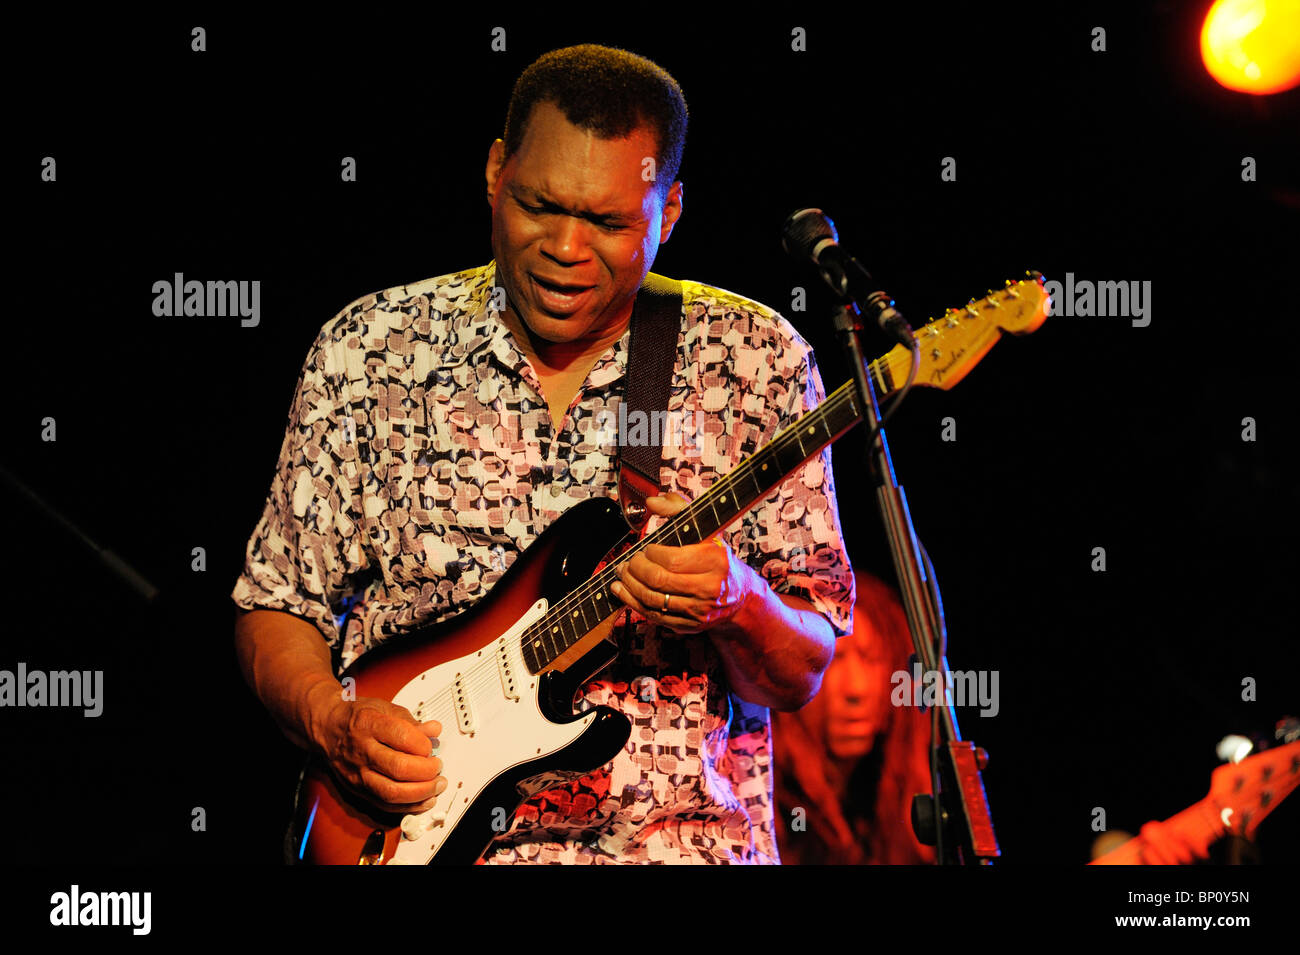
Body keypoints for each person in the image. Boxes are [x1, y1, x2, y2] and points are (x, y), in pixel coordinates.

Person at [231, 43, 855, 864]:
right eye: (537, 206)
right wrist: (331, 720)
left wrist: (738, 603)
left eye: (605, 222)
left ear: (667, 215)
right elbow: (277, 602)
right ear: (495, 173)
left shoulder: (757, 359)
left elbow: (799, 671)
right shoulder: (370, 349)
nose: (563, 246)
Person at [774, 569, 936, 864]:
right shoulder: (768, 805)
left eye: (870, 659)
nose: (856, 689)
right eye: (835, 660)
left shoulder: (896, 800)